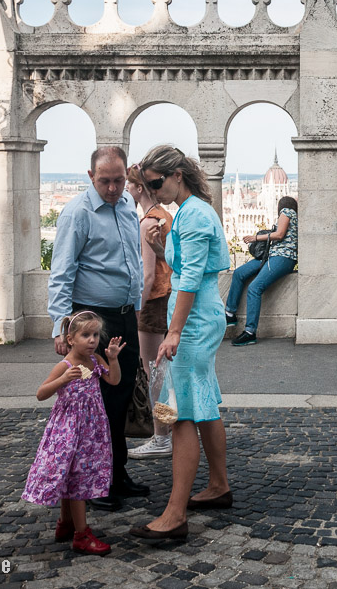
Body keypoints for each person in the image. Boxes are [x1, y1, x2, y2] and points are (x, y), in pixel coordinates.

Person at [130, 146, 231, 543]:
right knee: (202, 400)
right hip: (198, 314)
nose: (152, 192)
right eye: (148, 185)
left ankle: (175, 513)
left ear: (177, 175)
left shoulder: (191, 216)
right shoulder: (190, 212)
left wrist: (173, 331)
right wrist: (159, 247)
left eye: (156, 183)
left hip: (192, 318)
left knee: (181, 410)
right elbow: (186, 266)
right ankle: (219, 484)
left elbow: (189, 279)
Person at [47, 147, 147, 511]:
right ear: (90, 176)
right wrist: (61, 329)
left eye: (119, 180)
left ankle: (117, 473)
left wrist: (133, 309)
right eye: (104, 180)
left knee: (120, 397)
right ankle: (95, 483)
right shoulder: (78, 212)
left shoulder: (125, 206)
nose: (112, 187)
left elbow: (132, 263)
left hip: (123, 318)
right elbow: (62, 271)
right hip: (92, 321)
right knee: (97, 404)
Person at [23, 310, 123, 556]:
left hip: (92, 429)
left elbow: (114, 381)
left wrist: (113, 359)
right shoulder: (65, 365)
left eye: (96, 335)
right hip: (69, 430)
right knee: (77, 478)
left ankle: (66, 523)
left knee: (75, 474)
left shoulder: (96, 360)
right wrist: (64, 379)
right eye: (86, 335)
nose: (92, 340)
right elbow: (41, 393)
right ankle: (81, 534)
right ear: (70, 339)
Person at [126, 164, 174, 461]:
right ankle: (169, 429)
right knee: (163, 372)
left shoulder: (147, 222)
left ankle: (161, 435)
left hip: (152, 301)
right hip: (167, 297)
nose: (125, 190)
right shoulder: (164, 215)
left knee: (154, 373)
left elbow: (146, 275)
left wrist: (136, 308)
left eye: (129, 185)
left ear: (138, 188)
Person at [225, 196, 298, 346]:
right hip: (271, 256)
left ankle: (250, 332)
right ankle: (229, 313)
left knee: (254, 288)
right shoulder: (294, 216)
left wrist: (256, 238)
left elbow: (279, 234)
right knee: (239, 273)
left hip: (282, 257)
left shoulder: (287, 211)